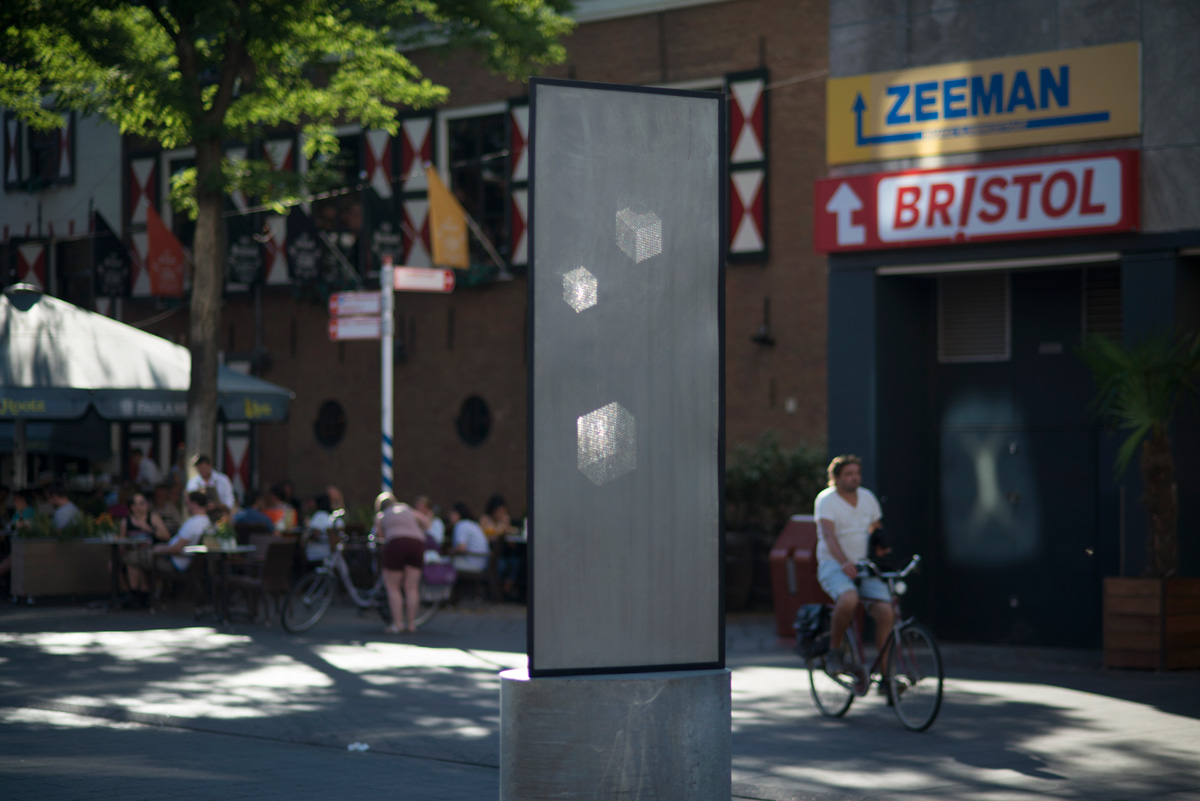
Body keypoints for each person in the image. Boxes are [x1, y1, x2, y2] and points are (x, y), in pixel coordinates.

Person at [814, 455, 893, 677]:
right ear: (836, 477)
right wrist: (844, 562)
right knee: (849, 598)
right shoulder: (826, 500)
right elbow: (828, 535)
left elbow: (875, 527)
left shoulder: (867, 497)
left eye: (856, 473)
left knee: (886, 612)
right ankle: (834, 651)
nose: (854, 478)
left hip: (863, 566)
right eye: (848, 474)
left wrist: (881, 544)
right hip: (833, 564)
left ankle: (886, 677)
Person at [126, 491, 211, 597]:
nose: (186, 507)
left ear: (194, 504)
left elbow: (177, 548)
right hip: (181, 559)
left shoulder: (193, 524)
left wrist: (161, 549)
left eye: (187, 503)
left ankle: (136, 595)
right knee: (141, 558)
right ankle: (144, 593)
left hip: (173, 562)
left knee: (131, 558)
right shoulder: (206, 521)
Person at [374, 492, 433, 634]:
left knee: (393, 587)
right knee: (411, 587)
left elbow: (380, 536)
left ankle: (397, 624)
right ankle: (411, 624)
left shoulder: (381, 516)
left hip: (396, 543)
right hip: (416, 544)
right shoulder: (407, 508)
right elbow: (426, 524)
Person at [448, 502, 489, 573]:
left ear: (457, 514)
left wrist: (451, 551)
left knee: (443, 564)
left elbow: (461, 548)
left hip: (473, 564)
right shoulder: (472, 524)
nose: (449, 516)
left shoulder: (461, 525)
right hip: (482, 563)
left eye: (451, 513)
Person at [303, 494, 335, 562]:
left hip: (318, 551)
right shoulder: (328, 516)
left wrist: (306, 538)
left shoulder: (319, 515)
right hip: (328, 550)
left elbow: (316, 534)